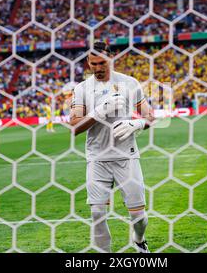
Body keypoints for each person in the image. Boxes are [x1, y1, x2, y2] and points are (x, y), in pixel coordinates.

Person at [69, 41, 155, 253]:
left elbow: (150, 116)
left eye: (102, 63)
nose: (97, 68)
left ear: (111, 59)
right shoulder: (82, 89)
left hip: (127, 156)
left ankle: (139, 239)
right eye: (93, 64)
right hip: (97, 158)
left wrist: (137, 123)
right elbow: (74, 127)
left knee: (139, 217)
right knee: (97, 213)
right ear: (88, 62)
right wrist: (99, 112)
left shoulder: (129, 83)